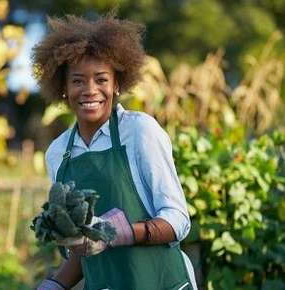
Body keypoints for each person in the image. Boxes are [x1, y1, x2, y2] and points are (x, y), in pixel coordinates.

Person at [32, 13, 198, 290]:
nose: (90, 90)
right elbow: (82, 249)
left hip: (160, 282)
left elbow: (178, 221)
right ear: (63, 88)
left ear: (117, 83)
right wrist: (56, 285)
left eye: (101, 79)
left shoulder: (140, 132)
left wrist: (118, 234)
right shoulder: (58, 153)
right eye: (77, 81)